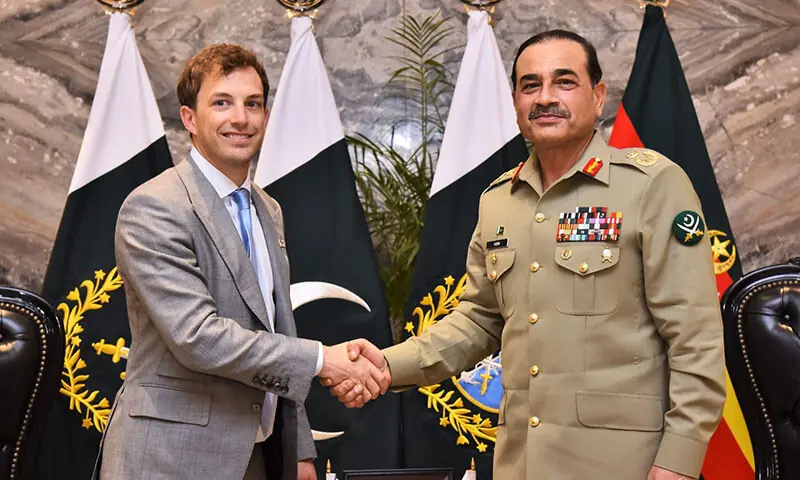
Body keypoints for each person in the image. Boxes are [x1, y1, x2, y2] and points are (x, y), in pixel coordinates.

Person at [333, 30, 727, 480]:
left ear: (598, 97)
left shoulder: (651, 186)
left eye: (564, 82)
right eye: (530, 85)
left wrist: (678, 461)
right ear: (516, 102)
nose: (545, 98)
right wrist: (387, 363)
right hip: (520, 462)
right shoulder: (499, 199)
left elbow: (696, 341)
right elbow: (479, 320)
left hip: (623, 465)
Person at [95, 44, 387, 480]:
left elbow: (278, 325)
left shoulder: (267, 209)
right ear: (190, 119)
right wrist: (324, 360)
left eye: (253, 104)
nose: (240, 118)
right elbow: (199, 337)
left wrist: (300, 448)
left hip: (257, 455)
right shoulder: (154, 207)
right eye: (222, 103)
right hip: (168, 458)